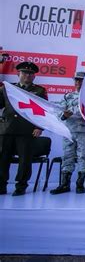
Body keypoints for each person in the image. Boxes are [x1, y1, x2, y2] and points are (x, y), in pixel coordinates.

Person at [50, 72, 85, 195]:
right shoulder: (68, 96)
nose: (78, 82)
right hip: (69, 131)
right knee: (67, 157)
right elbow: (59, 111)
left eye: (81, 80)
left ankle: (80, 184)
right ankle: (64, 184)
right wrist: (63, 115)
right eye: (76, 80)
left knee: (83, 157)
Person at [0, 62, 47, 196]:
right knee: (2, 158)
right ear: (18, 74)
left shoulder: (39, 91)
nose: (27, 75)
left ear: (34, 77)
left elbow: (43, 111)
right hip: (6, 129)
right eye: (24, 72)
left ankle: (21, 186)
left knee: (25, 160)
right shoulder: (7, 88)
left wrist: (39, 127)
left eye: (31, 73)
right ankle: (1, 185)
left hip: (27, 130)